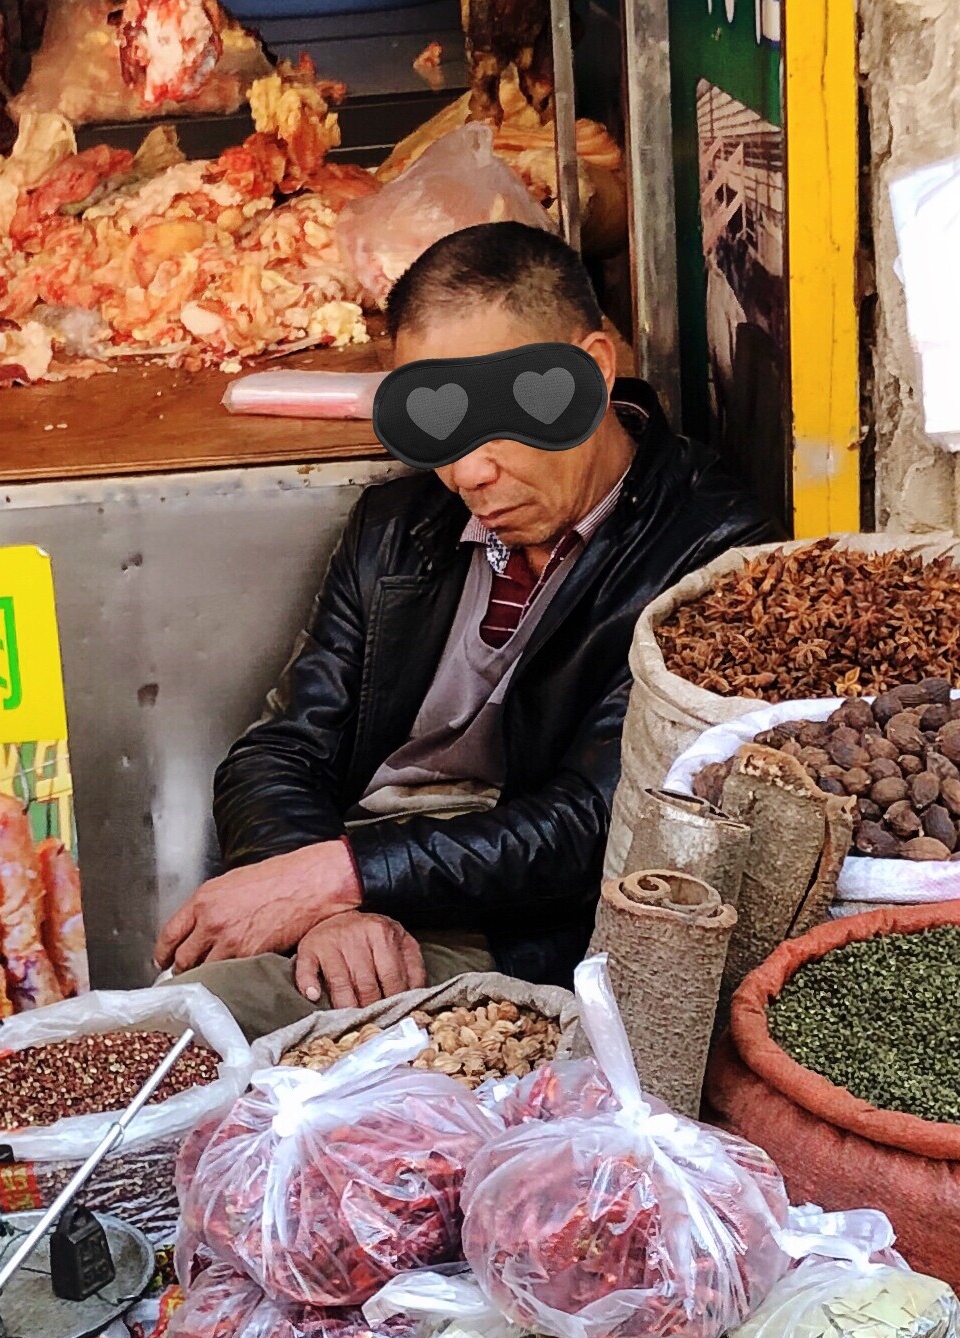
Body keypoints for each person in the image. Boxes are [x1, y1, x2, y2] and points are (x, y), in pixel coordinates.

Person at [154, 223, 765, 1033]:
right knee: (172, 1002)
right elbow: (285, 745)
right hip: (349, 878)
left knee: (193, 1029)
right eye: (442, 424)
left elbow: (600, 817)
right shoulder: (401, 526)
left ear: (587, 370)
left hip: (518, 922)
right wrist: (320, 903)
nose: (468, 472)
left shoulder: (711, 552)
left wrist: (345, 879)